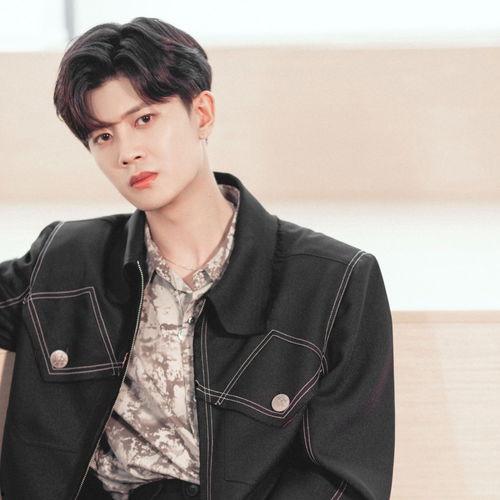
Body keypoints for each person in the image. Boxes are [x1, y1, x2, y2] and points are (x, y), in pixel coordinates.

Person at [0, 17, 395, 500]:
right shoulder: (64, 260)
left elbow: (343, 481)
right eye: (103, 136)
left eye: (144, 119)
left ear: (202, 113)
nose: (127, 152)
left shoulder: (333, 284)